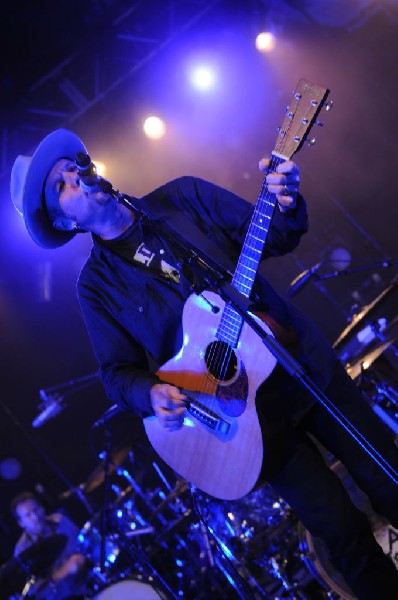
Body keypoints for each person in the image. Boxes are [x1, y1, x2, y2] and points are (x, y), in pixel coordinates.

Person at [9, 128, 398, 599]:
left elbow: (274, 233)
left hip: (300, 365)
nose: (73, 174)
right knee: (340, 531)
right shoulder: (95, 288)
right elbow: (115, 374)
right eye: (60, 186)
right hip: (245, 421)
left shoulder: (182, 197)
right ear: (68, 224)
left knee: (387, 472)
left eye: (72, 165)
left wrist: (286, 201)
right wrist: (149, 393)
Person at [10, 491, 87, 599]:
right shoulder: (22, 551)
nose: (35, 517)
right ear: (21, 523)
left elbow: (84, 544)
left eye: (36, 509)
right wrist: (65, 570)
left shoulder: (61, 520)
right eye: (28, 515)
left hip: (88, 580)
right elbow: (35, 592)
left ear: (42, 508)